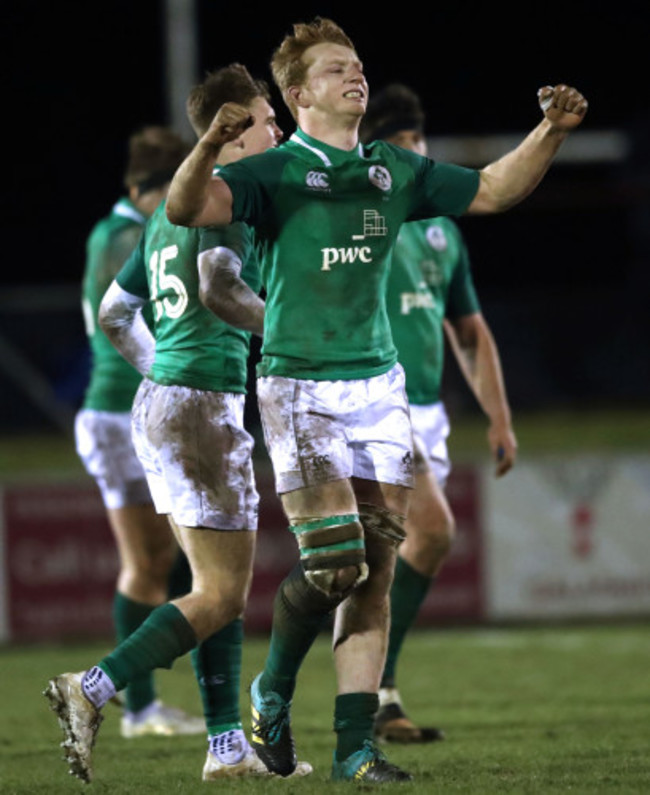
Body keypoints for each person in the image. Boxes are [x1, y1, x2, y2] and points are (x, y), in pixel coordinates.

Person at [165, 17, 587, 783]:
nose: (354, 76)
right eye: (334, 70)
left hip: (380, 385)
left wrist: (549, 132)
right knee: (334, 564)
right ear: (297, 96)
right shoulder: (275, 172)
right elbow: (186, 208)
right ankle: (271, 690)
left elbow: (492, 189)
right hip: (299, 384)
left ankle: (356, 747)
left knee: (378, 569)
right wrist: (203, 145)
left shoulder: (394, 169)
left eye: (356, 65)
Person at [45, 64, 311, 783]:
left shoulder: (168, 210)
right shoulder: (229, 204)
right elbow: (219, 286)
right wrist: (292, 334)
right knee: (221, 592)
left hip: (163, 402)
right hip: (199, 406)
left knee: (210, 584)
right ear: (229, 129)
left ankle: (226, 746)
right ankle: (93, 688)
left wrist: (158, 368)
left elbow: (112, 314)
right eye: (265, 118)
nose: (279, 128)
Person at [358, 83, 517, 743]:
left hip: (428, 412)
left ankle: (369, 698)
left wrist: (500, 417)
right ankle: (371, 692)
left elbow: (470, 331)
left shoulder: (443, 234)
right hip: (374, 400)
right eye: (398, 149)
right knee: (432, 530)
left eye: (418, 147)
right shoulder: (364, 219)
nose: (412, 159)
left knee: (378, 560)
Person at [74, 125, 204, 738]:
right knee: (149, 563)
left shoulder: (117, 231)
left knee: (162, 559)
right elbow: (116, 323)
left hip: (117, 411)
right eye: (170, 187)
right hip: (118, 410)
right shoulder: (127, 233)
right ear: (144, 187)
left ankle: (142, 701)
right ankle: (139, 706)